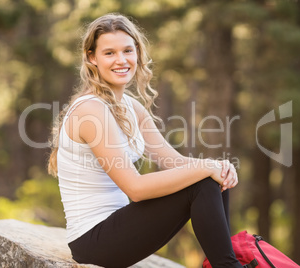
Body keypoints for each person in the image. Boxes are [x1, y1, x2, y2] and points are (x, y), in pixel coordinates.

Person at [48, 13, 242, 268]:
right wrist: (206, 168)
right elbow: (135, 189)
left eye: (128, 50)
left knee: (212, 180)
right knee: (202, 180)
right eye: (109, 53)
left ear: (137, 53)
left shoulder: (131, 107)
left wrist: (218, 167)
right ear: (92, 57)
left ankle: (226, 261)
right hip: (92, 241)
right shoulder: (90, 110)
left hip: (118, 226)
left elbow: (174, 162)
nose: (121, 60)